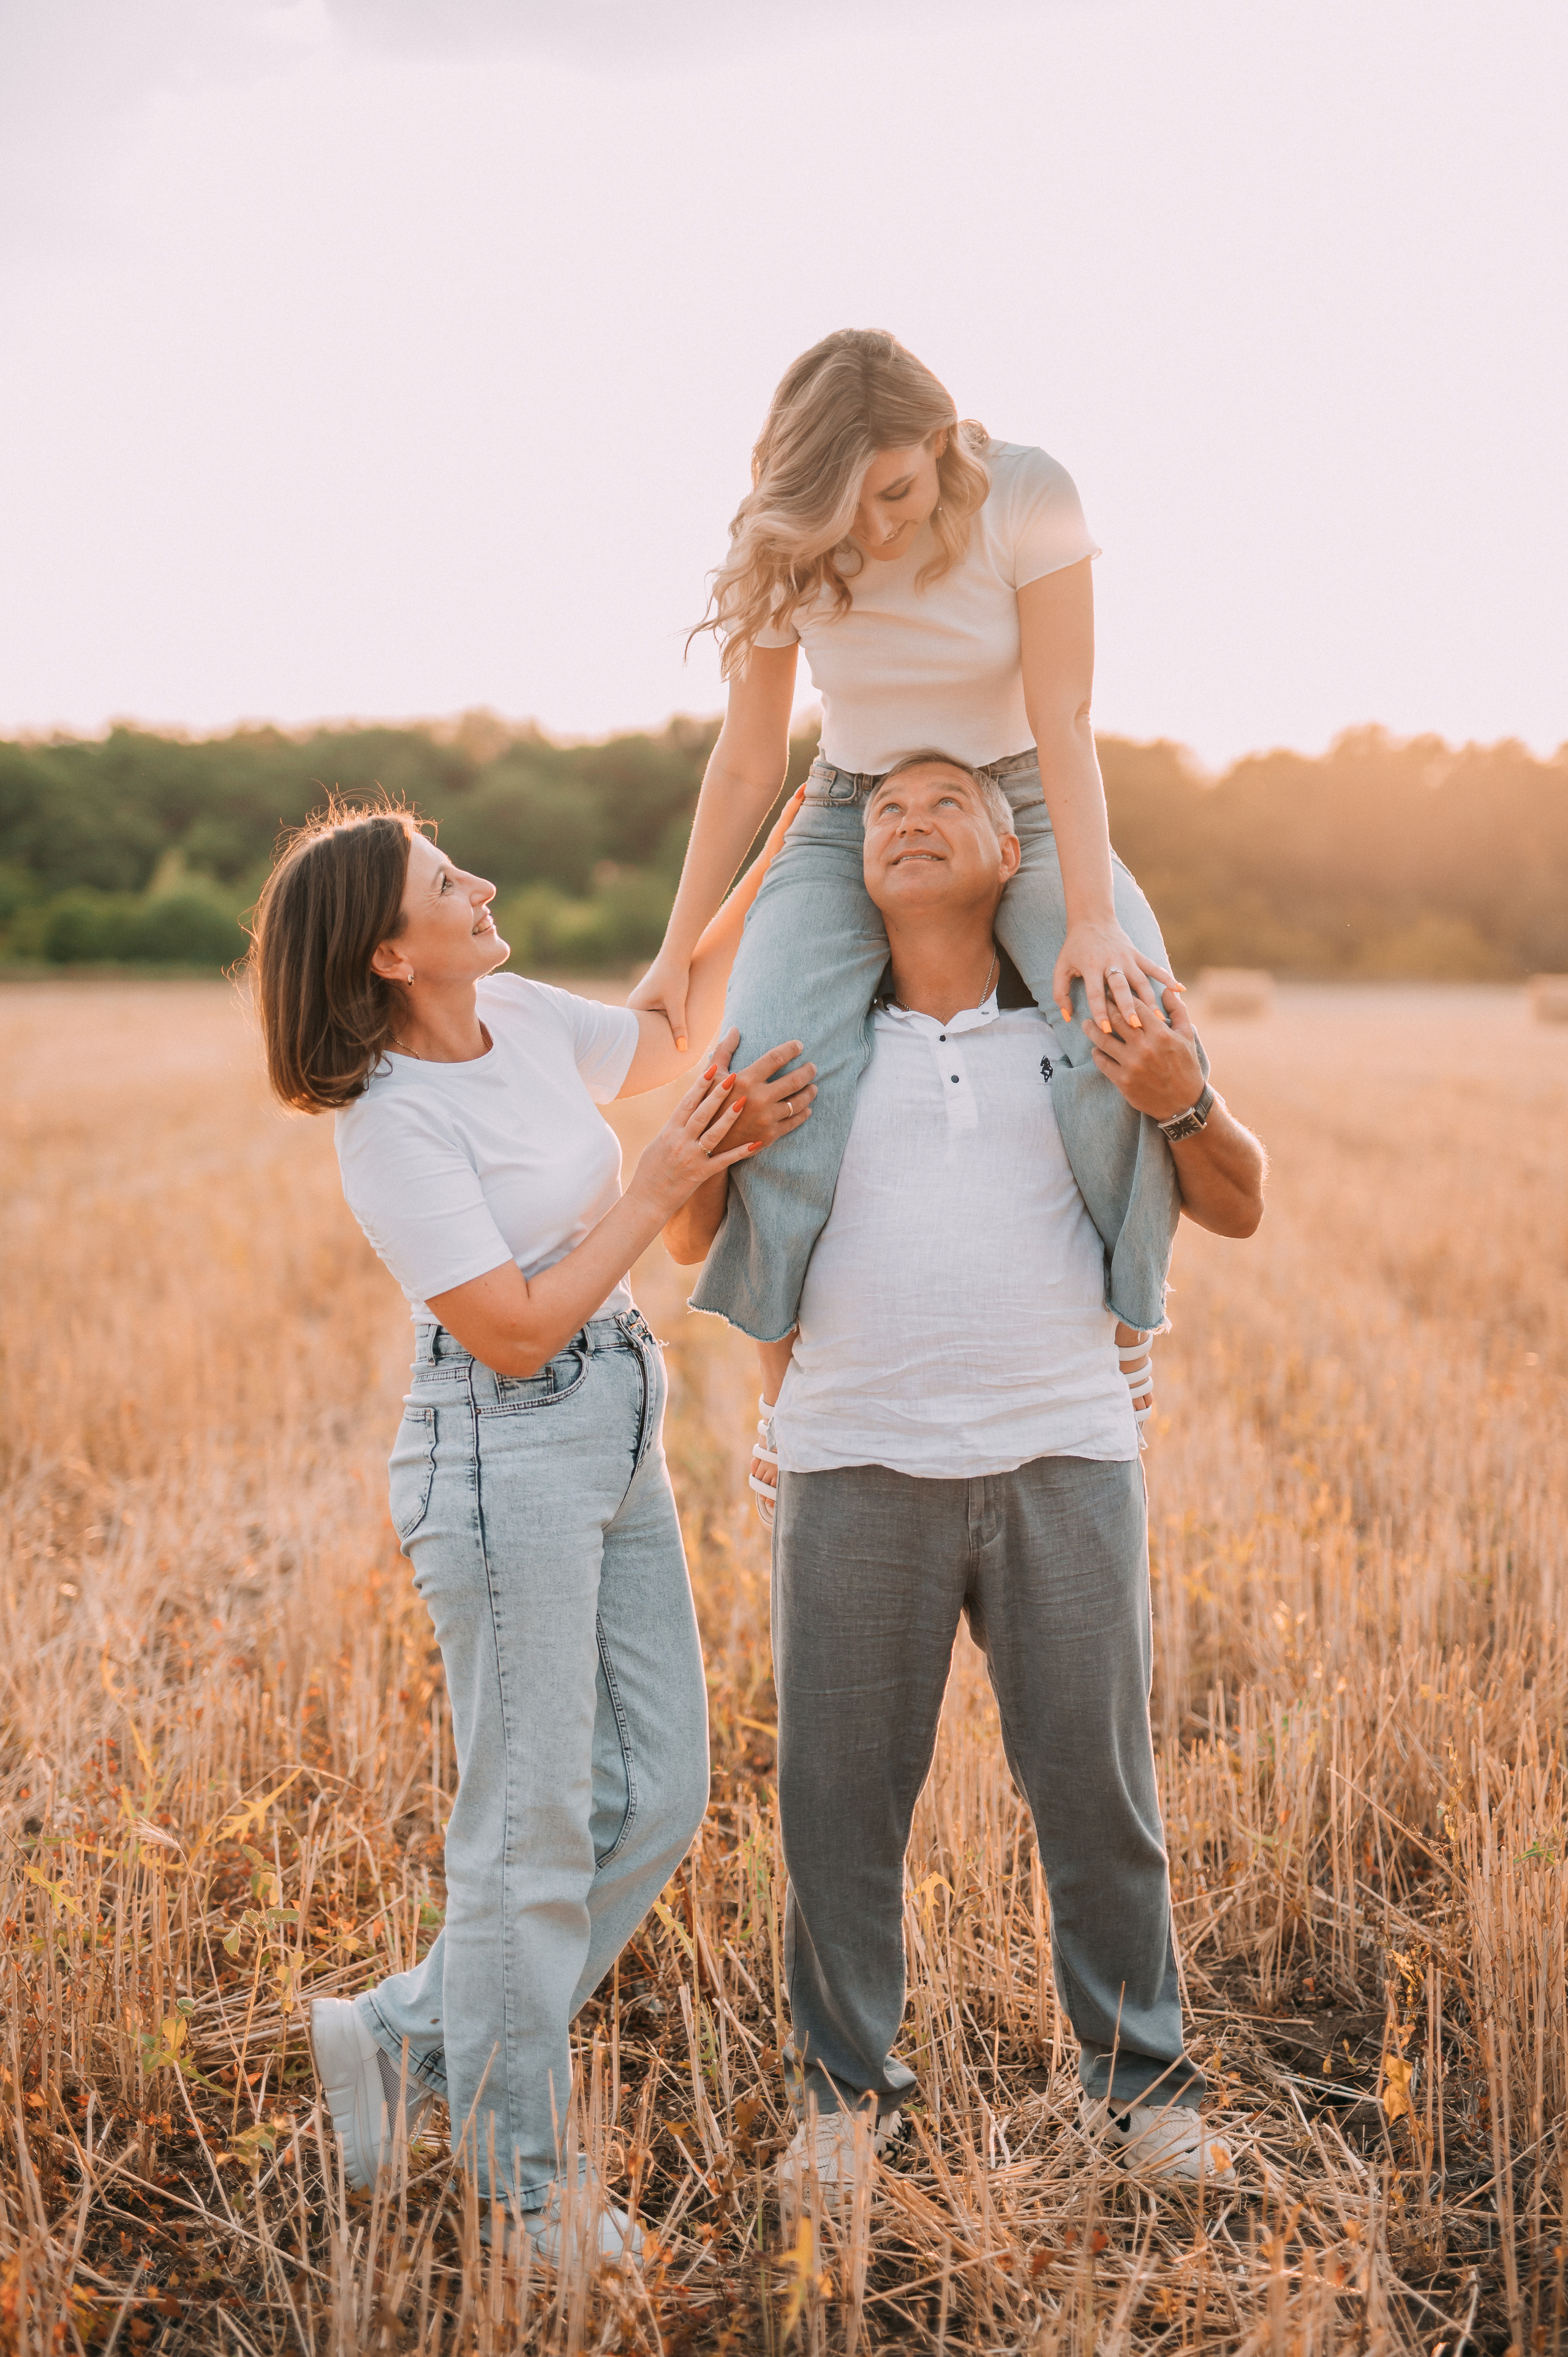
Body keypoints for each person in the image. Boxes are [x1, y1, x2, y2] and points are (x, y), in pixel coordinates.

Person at [665, 752, 1265, 2201]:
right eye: (880, 807)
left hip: (1064, 1450)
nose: (909, 816)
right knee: (836, 1807)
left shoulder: (1096, 1024)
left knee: (1095, 1794)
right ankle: (843, 2100)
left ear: (1022, 852)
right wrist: (708, 1134)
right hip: (851, 1464)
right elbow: (693, 1241)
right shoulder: (800, 1041)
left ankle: (1141, 2087)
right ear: (850, 862)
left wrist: (1184, 1097)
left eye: (948, 800)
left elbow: (1238, 1200)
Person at [247, 792, 809, 2258]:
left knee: (662, 1789)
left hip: (616, 1421)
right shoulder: (390, 1128)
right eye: (448, 879)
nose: (482, 881)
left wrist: (782, 844)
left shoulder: (526, 1018)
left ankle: (404, 2029)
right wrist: (657, 1187)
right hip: (502, 1453)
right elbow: (505, 1329)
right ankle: (521, 2185)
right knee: (528, 1827)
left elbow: (671, 1028)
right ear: (387, 952)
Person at [632, 328, 1189, 1486]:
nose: (877, 528)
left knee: (1124, 1027)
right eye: (851, 506)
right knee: (772, 1062)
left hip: (1021, 790)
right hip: (851, 806)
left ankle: (1127, 1342)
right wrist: (677, 951)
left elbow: (1067, 717)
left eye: (895, 490)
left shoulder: (1029, 493)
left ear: (944, 442)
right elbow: (747, 763)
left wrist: (1089, 918)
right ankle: (790, 1394)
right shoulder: (781, 536)